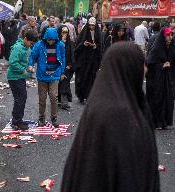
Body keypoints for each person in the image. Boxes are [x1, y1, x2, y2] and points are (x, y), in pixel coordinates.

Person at [61, 42, 160, 192]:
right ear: (128, 67)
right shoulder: (118, 116)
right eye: (141, 64)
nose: (145, 69)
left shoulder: (103, 102)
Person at [28, 28, 66, 127]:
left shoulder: (60, 45)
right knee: (42, 98)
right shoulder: (39, 45)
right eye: (49, 40)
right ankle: (41, 118)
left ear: (56, 39)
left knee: (54, 97)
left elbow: (63, 58)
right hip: (42, 75)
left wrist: (62, 72)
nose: (50, 42)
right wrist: (31, 64)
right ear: (45, 38)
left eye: (52, 40)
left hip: (55, 74)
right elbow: (32, 56)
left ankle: (54, 117)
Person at [7, 30, 38, 130]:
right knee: (20, 98)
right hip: (14, 77)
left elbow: (25, 60)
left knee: (22, 98)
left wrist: (29, 67)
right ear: (25, 39)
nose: (31, 45)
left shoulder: (26, 47)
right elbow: (12, 62)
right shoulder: (18, 47)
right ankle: (16, 121)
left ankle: (18, 119)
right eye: (30, 43)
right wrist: (23, 70)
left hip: (20, 77)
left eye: (32, 44)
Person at [146, 27, 175, 130]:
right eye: (168, 35)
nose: (170, 37)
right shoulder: (157, 48)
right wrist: (162, 65)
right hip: (156, 79)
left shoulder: (171, 46)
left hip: (167, 78)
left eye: (171, 35)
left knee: (167, 99)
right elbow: (149, 63)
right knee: (157, 98)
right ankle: (156, 121)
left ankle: (164, 121)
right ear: (163, 36)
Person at [74, 17, 102, 104]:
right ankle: (81, 96)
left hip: (93, 61)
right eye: (89, 25)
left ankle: (89, 96)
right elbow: (77, 47)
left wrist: (95, 46)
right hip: (83, 61)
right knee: (82, 78)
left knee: (91, 79)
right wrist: (83, 44)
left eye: (93, 25)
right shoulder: (84, 33)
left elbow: (100, 47)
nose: (91, 27)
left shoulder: (98, 34)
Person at [57, 25, 75, 110]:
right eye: (63, 32)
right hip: (58, 67)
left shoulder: (70, 42)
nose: (64, 34)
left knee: (65, 84)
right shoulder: (56, 43)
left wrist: (70, 65)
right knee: (58, 84)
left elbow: (72, 55)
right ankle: (59, 101)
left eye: (66, 32)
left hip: (67, 67)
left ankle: (65, 102)